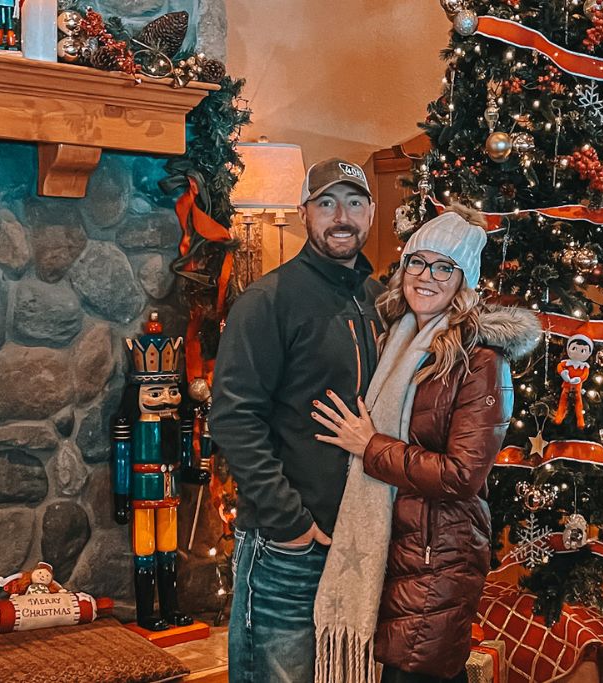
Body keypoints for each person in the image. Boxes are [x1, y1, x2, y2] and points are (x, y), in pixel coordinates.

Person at [311, 207, 541, 683]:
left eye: (444, 267)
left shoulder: (480, 359)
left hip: (438, 555)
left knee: (414, 673)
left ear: (464, 281)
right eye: (418, 262)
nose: (427, 276)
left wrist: (369, 445)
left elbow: (462, 475)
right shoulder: (397, 337)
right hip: (398, 546)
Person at [209, 158, 383, 683]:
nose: (341, 217)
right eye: (326, 203)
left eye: (354, 202)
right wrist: (290, 523)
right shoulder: (268, 300)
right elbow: (234, 417)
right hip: (292, 542)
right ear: (305, 213)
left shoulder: (380, 301)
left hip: (360, 537)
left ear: (371, 213)